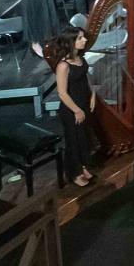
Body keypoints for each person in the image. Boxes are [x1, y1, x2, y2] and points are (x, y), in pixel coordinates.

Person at [48, 29, 96, 188]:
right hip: (71, 108)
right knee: (74, 140)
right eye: (80, 38)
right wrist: (77, 110)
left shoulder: (79, 58)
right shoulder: (63, 65)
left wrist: (93, 94)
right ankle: (74, 174)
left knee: (83, 138)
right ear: (71, 42)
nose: (84, 40)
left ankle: (83, 166)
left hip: (84, 102)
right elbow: (62, 93)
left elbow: (85, 77)